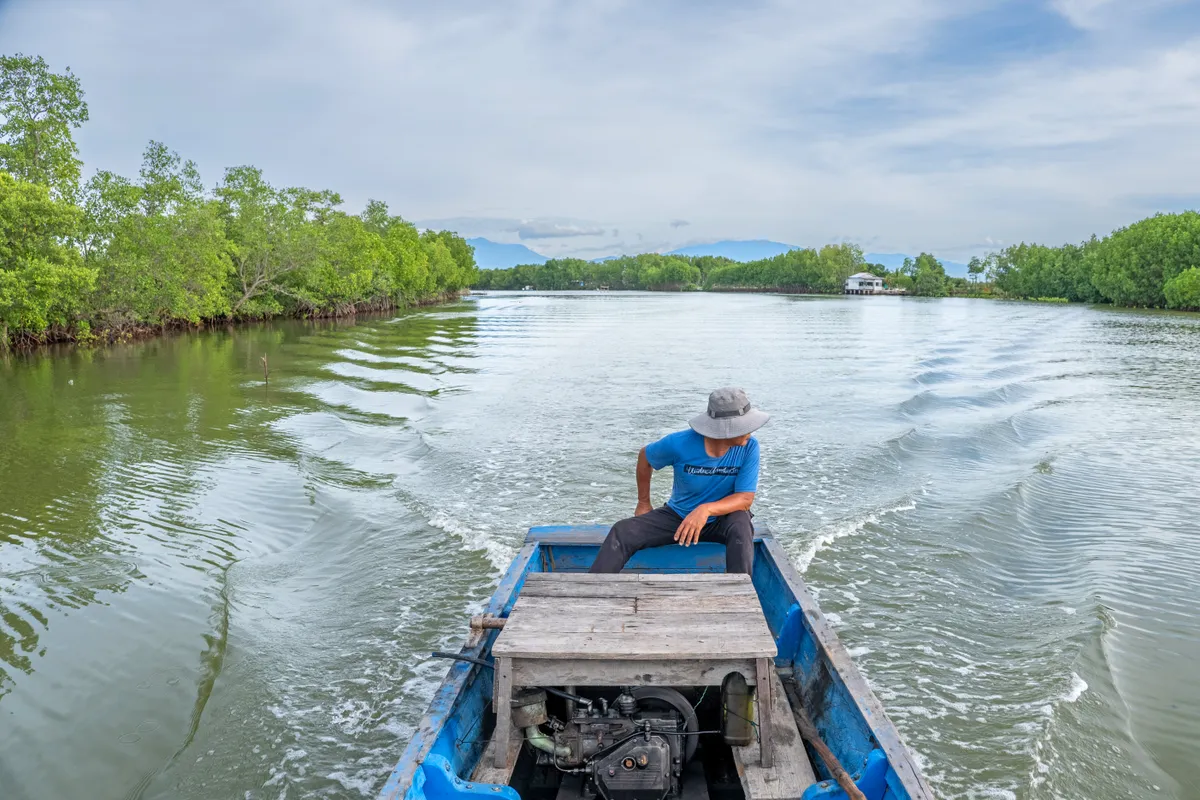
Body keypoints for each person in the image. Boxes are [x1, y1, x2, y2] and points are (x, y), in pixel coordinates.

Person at [590, 387, 769, 574]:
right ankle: (591, 595)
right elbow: (645, 458)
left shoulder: (750, 447)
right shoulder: (680, 443)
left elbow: (745, 499)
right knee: (622, 532)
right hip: (679, 515)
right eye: (745, 426)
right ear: (725, 429)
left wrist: (705, 510)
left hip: (723, 518)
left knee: (741, 527)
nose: (751, 430)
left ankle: (739, 595)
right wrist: (643, 502)